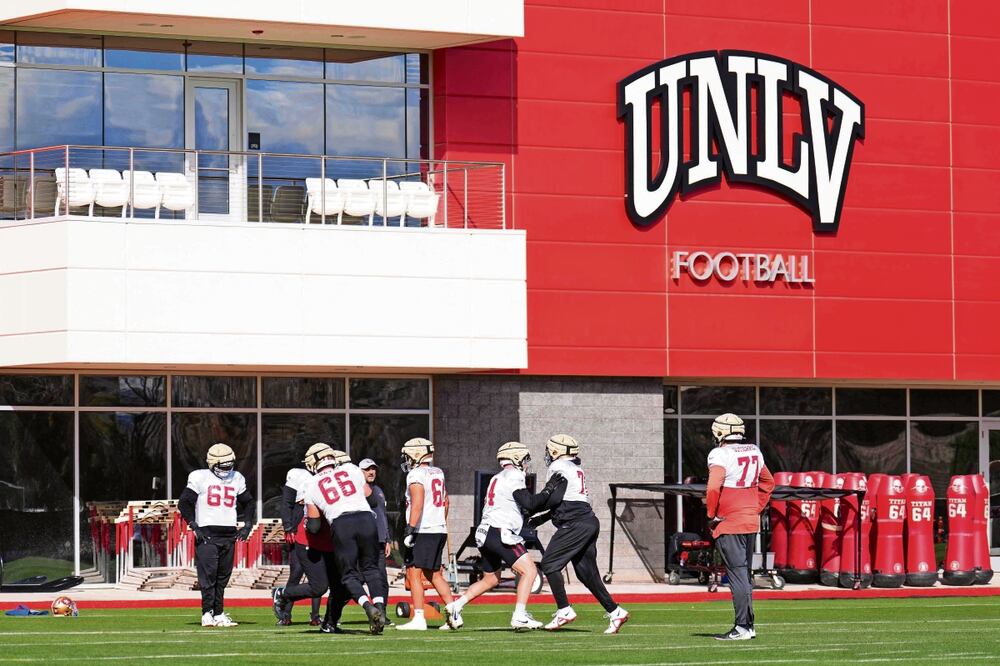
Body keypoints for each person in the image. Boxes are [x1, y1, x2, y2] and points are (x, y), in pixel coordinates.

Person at [516, 434, 629, 634]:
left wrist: (532, 509)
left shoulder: (558, 467)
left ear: (555, 451)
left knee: (550, 563)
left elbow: (554, 500)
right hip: (587, 521)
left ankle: (564, 610)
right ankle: (615, 611)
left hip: (575, 523)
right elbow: (564, 503)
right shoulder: (575, 468)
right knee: (586, 573)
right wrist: (539, 519)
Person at [447, 442, 543, 631]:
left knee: (491, 579)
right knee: (530, 571)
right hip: (500, 532)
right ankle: (519, 616)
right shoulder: (514, 475)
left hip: (485, 532)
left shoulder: (496, 478)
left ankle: (455, 606)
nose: (525, 463)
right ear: (516, 458)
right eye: (524, 459)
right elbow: (528, 503)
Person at [300, 447, 386, 635]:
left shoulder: (311, 483)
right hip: (366, 519)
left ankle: (368, 608)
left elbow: (314, 526)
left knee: (348, 575)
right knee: (371, 568)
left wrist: (307, 522)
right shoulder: (352, 469)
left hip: (342, 523)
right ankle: (380, 608)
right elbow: (371, 500)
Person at [705, 413, 775, 641]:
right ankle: (748, 625)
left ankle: (743, 626)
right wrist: (755, 508)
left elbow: (714, 487)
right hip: (748, 521)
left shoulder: (719, 453)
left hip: (730, 522)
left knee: (738, 575)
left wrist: (711, 514)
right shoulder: (754, 450)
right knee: (743, 574)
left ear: (719, 432)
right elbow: (769, 483)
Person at [178, 443, 255, 628]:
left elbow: (249, 503)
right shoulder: (199, 477)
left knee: (222, 578)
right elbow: (184, 503)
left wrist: (248, 525)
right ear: (212, 463)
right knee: (208, 576)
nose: (227, 470)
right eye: (223, 466)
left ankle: (219, 613)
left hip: (228, 533)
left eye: (229, 465)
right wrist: (193, 525)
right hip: (207, 533)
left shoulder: (237, 478)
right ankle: (207, 613)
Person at [274, 443, 349, 631]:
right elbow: (289, 504)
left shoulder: (336, 478)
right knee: (304, 577)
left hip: (327, 536)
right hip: (308, 534)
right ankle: (285, 608)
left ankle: (322, 619)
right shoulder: (305, 479)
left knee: (333, 582)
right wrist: (288, 527)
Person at [395, 437, 456, 631]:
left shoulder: (415, 474)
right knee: (435, 575)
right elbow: (446, 502)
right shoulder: (438, 472)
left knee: (413, 573)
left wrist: (410, 529)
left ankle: (419, 618)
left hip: (423, 530)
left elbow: (417, 504)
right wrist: (438, 521)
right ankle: (454, 614)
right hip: (438, 529)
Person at [278, 458, 322, 626]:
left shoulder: (327, 476)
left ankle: (315, 616)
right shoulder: (298, 475)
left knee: (318, 574)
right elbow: (287, 502)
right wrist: (288, 527)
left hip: (317, 526)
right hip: (300, 524)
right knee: (296, 572)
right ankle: (286, 614)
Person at [359, 458, 393, 626]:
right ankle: (333, 614)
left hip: (380, 541)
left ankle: (382, 613)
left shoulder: (379, 490)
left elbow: (383, 516)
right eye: (367, 469)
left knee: (382, 579)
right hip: (364, 542)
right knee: (355, 580)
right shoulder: (357, 491)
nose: (371, 472)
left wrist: (387, 539)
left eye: (373, 469)